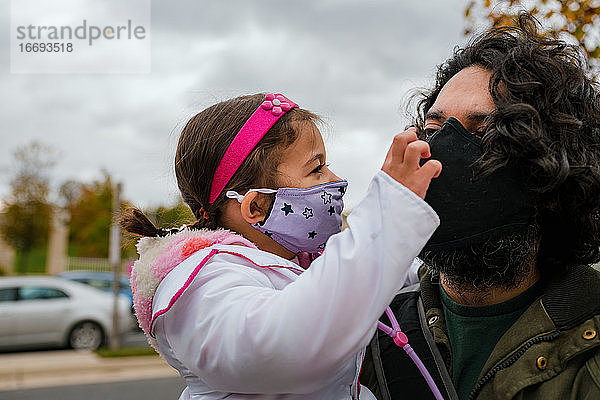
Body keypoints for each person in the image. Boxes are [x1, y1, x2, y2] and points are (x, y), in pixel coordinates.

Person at [120, 92, 443, 399]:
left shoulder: (304, 264)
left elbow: (397, 276)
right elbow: (286, 345)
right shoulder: (199, 285)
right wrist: (389, 212)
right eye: (316, 168)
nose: (334, 179)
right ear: (257, 207)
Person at [360, 14, 600, 400]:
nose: (440, 157)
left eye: (484, 132)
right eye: (435, 131)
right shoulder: (366, 334)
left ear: (555, 177)